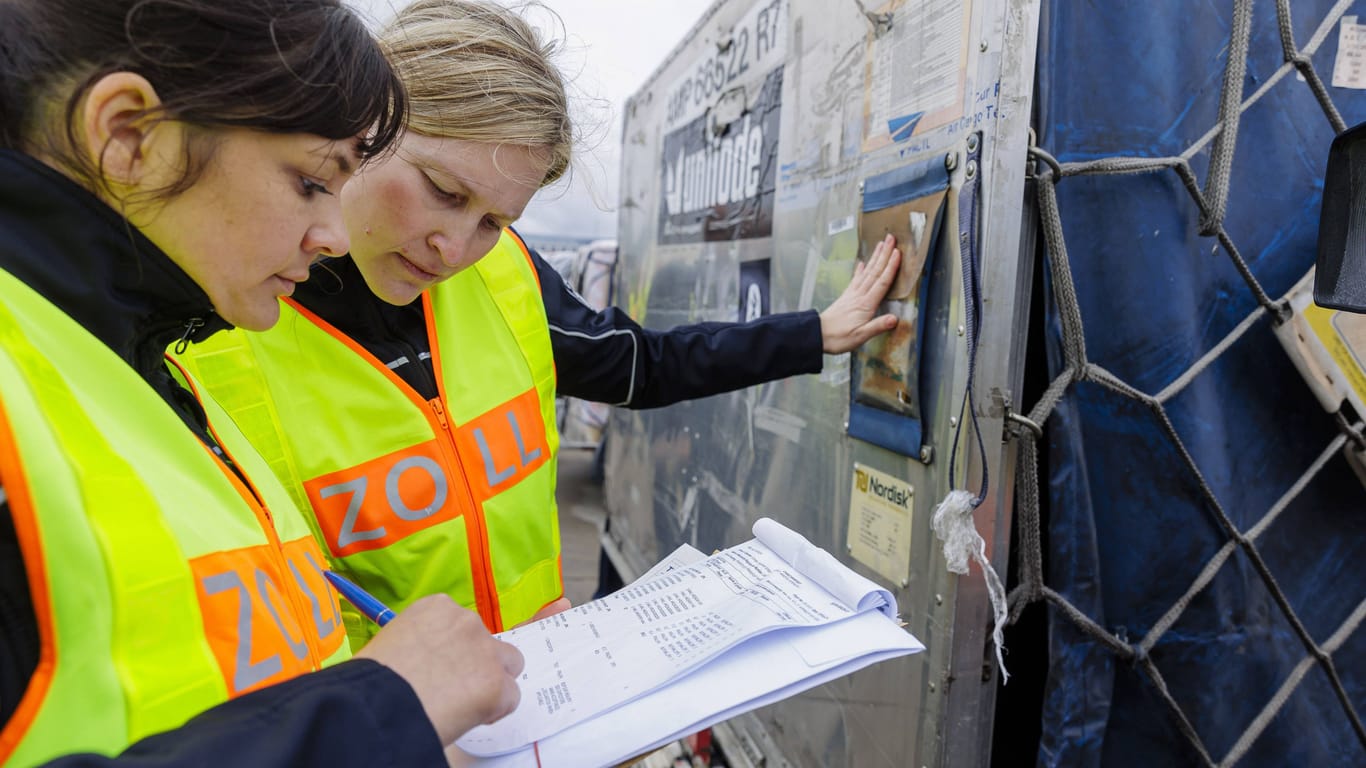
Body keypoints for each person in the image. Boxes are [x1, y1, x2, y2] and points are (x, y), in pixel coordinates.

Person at [178, 0, 902, 644]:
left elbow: (641, 364)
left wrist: (815, 334)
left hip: (540, 694)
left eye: (495, 220)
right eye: (442, 190)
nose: (455, 249)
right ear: (360, 128)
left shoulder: (505, 274)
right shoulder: (206, 336)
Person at [0, 1, 522, 766]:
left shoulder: (135, 361)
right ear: (128, 133)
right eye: (312, 182)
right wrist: (379, 712)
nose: (333, 237)